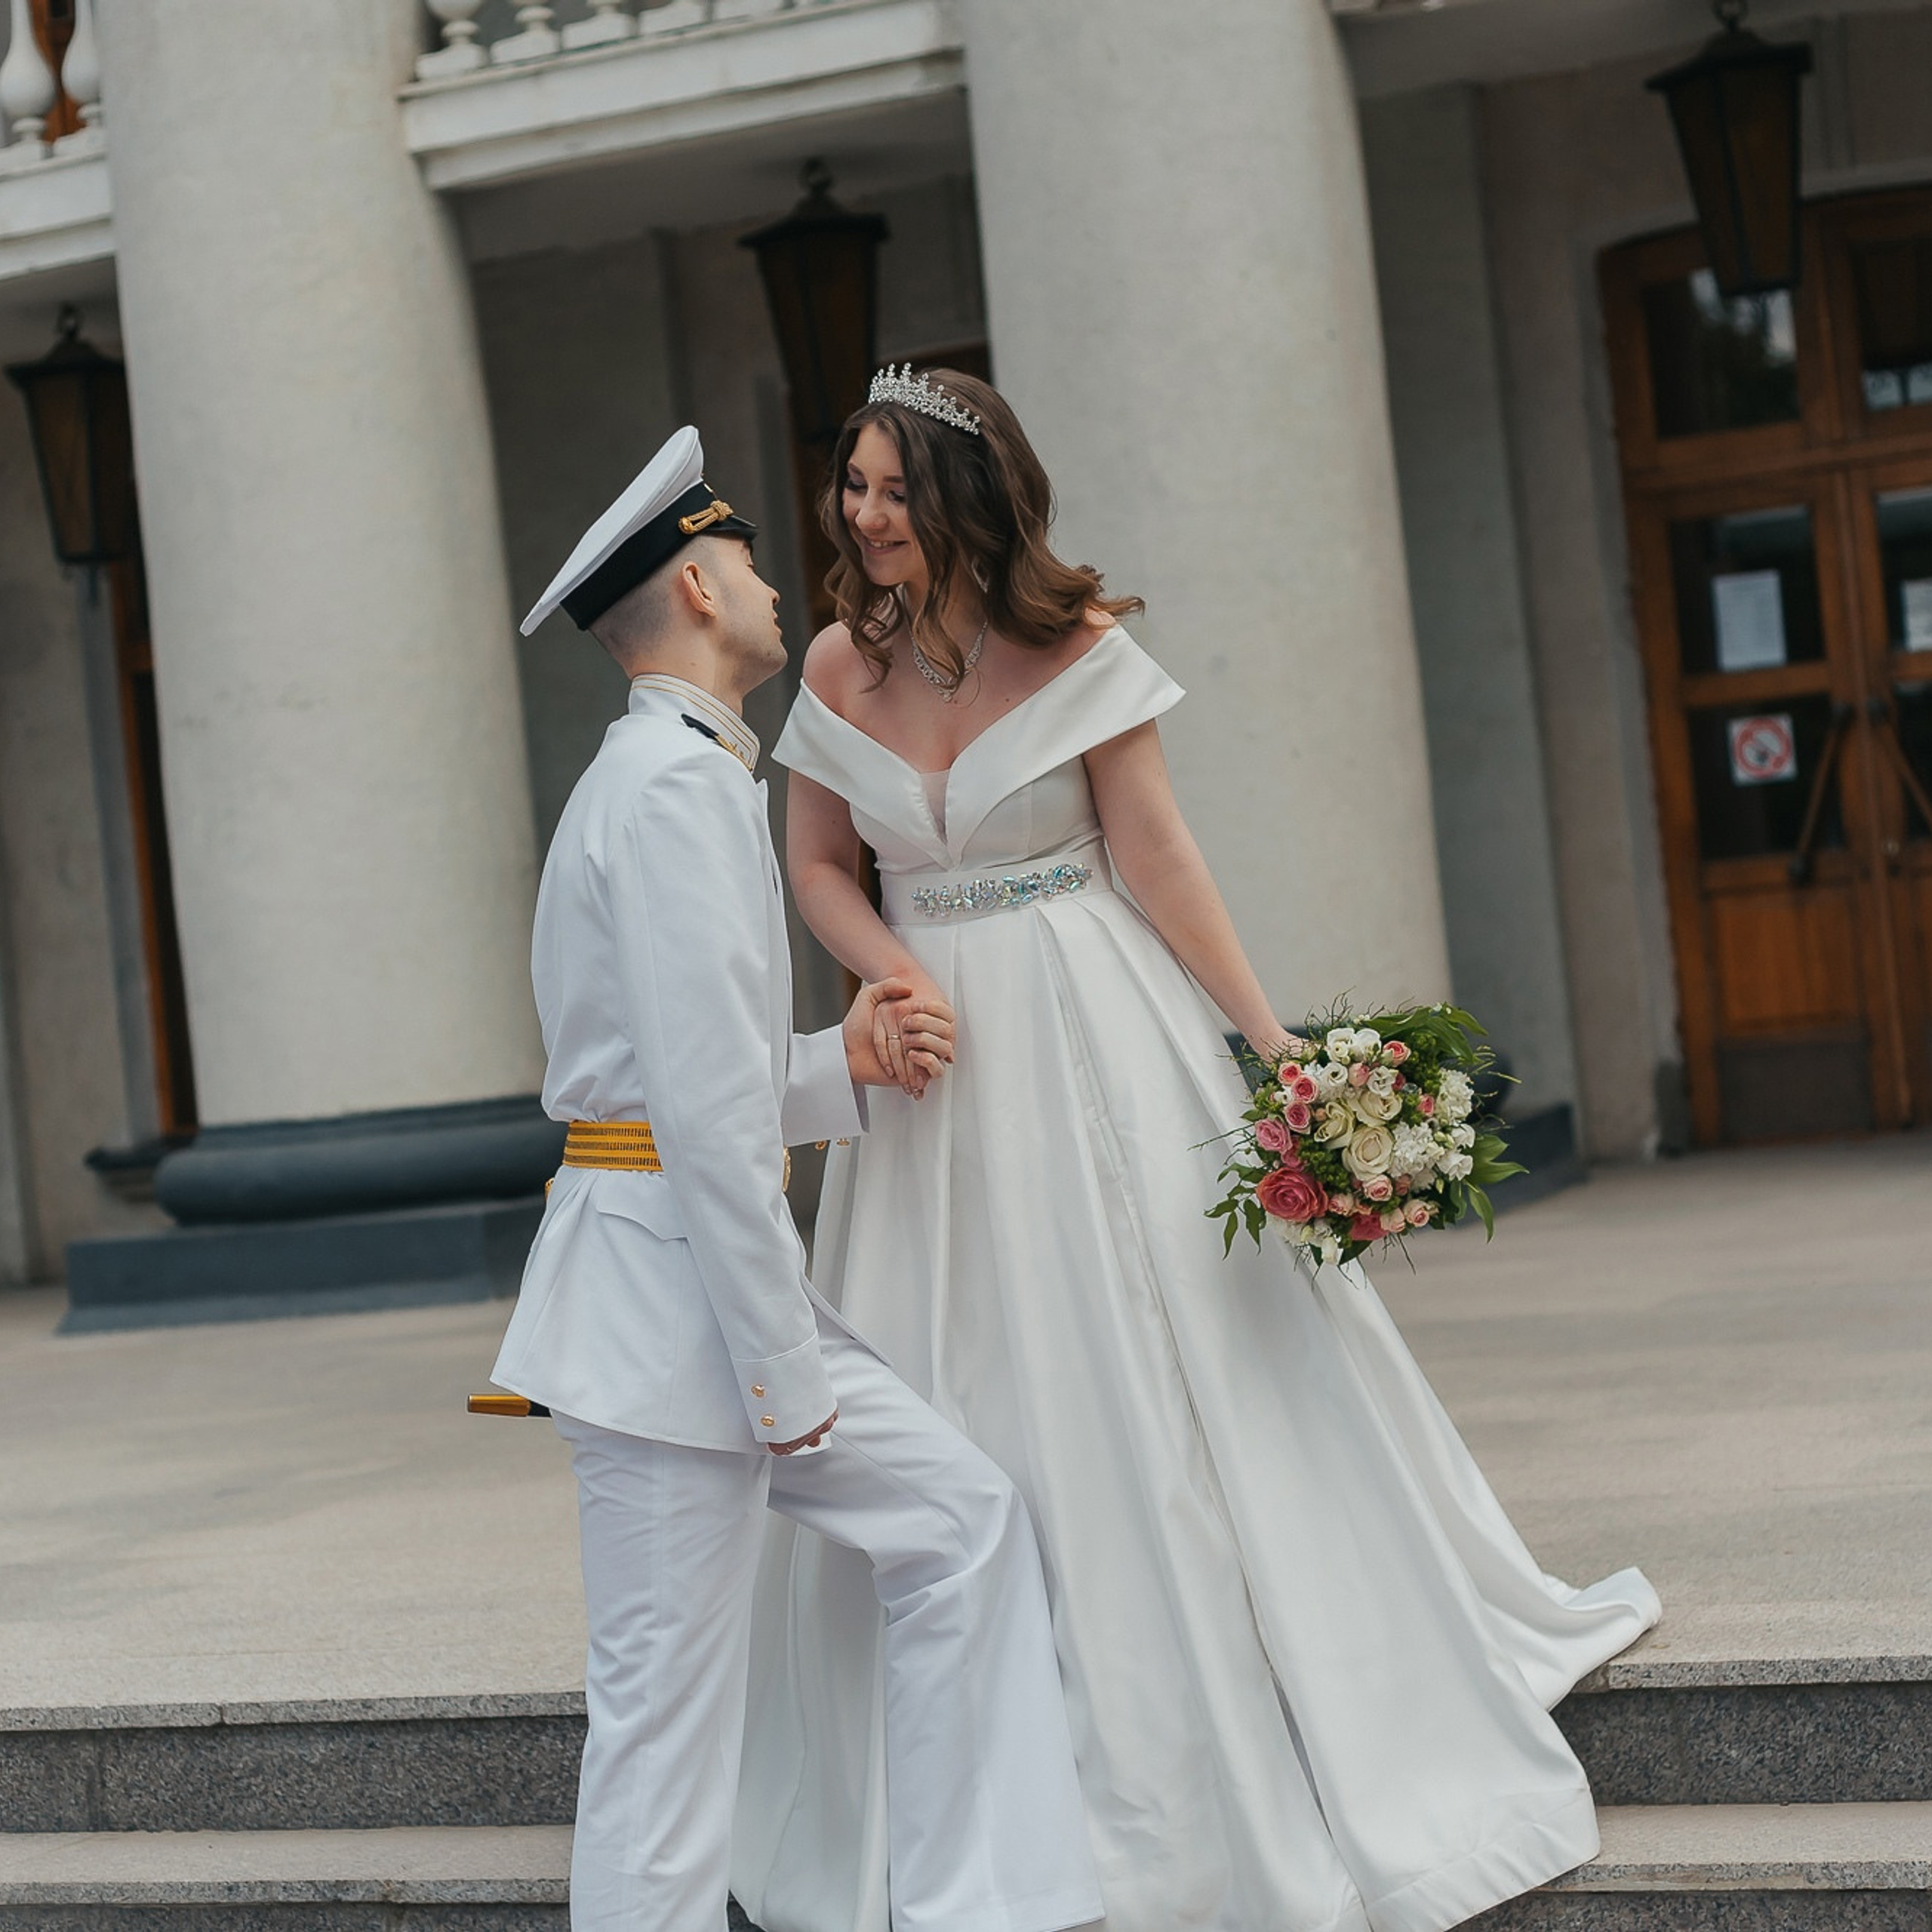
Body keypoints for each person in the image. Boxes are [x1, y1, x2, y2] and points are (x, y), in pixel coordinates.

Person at [732, 371, 1662, 1932]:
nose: (863, 515)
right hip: (931, 1062)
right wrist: (885, 968)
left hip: (1098, 1021)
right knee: (956, 1365)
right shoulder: (836, 660)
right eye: (853, 486)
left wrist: (1271, 1043)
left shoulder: (1074, 646)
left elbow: (1155, 856)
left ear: (967, 496)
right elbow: (816, 863)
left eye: (893, 488)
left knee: (1159, 1343)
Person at [487, 426, 1103, 1932]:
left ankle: (969, 1898)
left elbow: (687, 1084)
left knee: (958, 1520)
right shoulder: (673, 795)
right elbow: (694, 1123)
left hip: (675, 1292)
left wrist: (841, 1064)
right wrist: (782, 1375)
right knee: (661, 1722)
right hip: (674, 1316)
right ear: (698, 587)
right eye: (751, 561)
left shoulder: (657, 779)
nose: (777, 581)